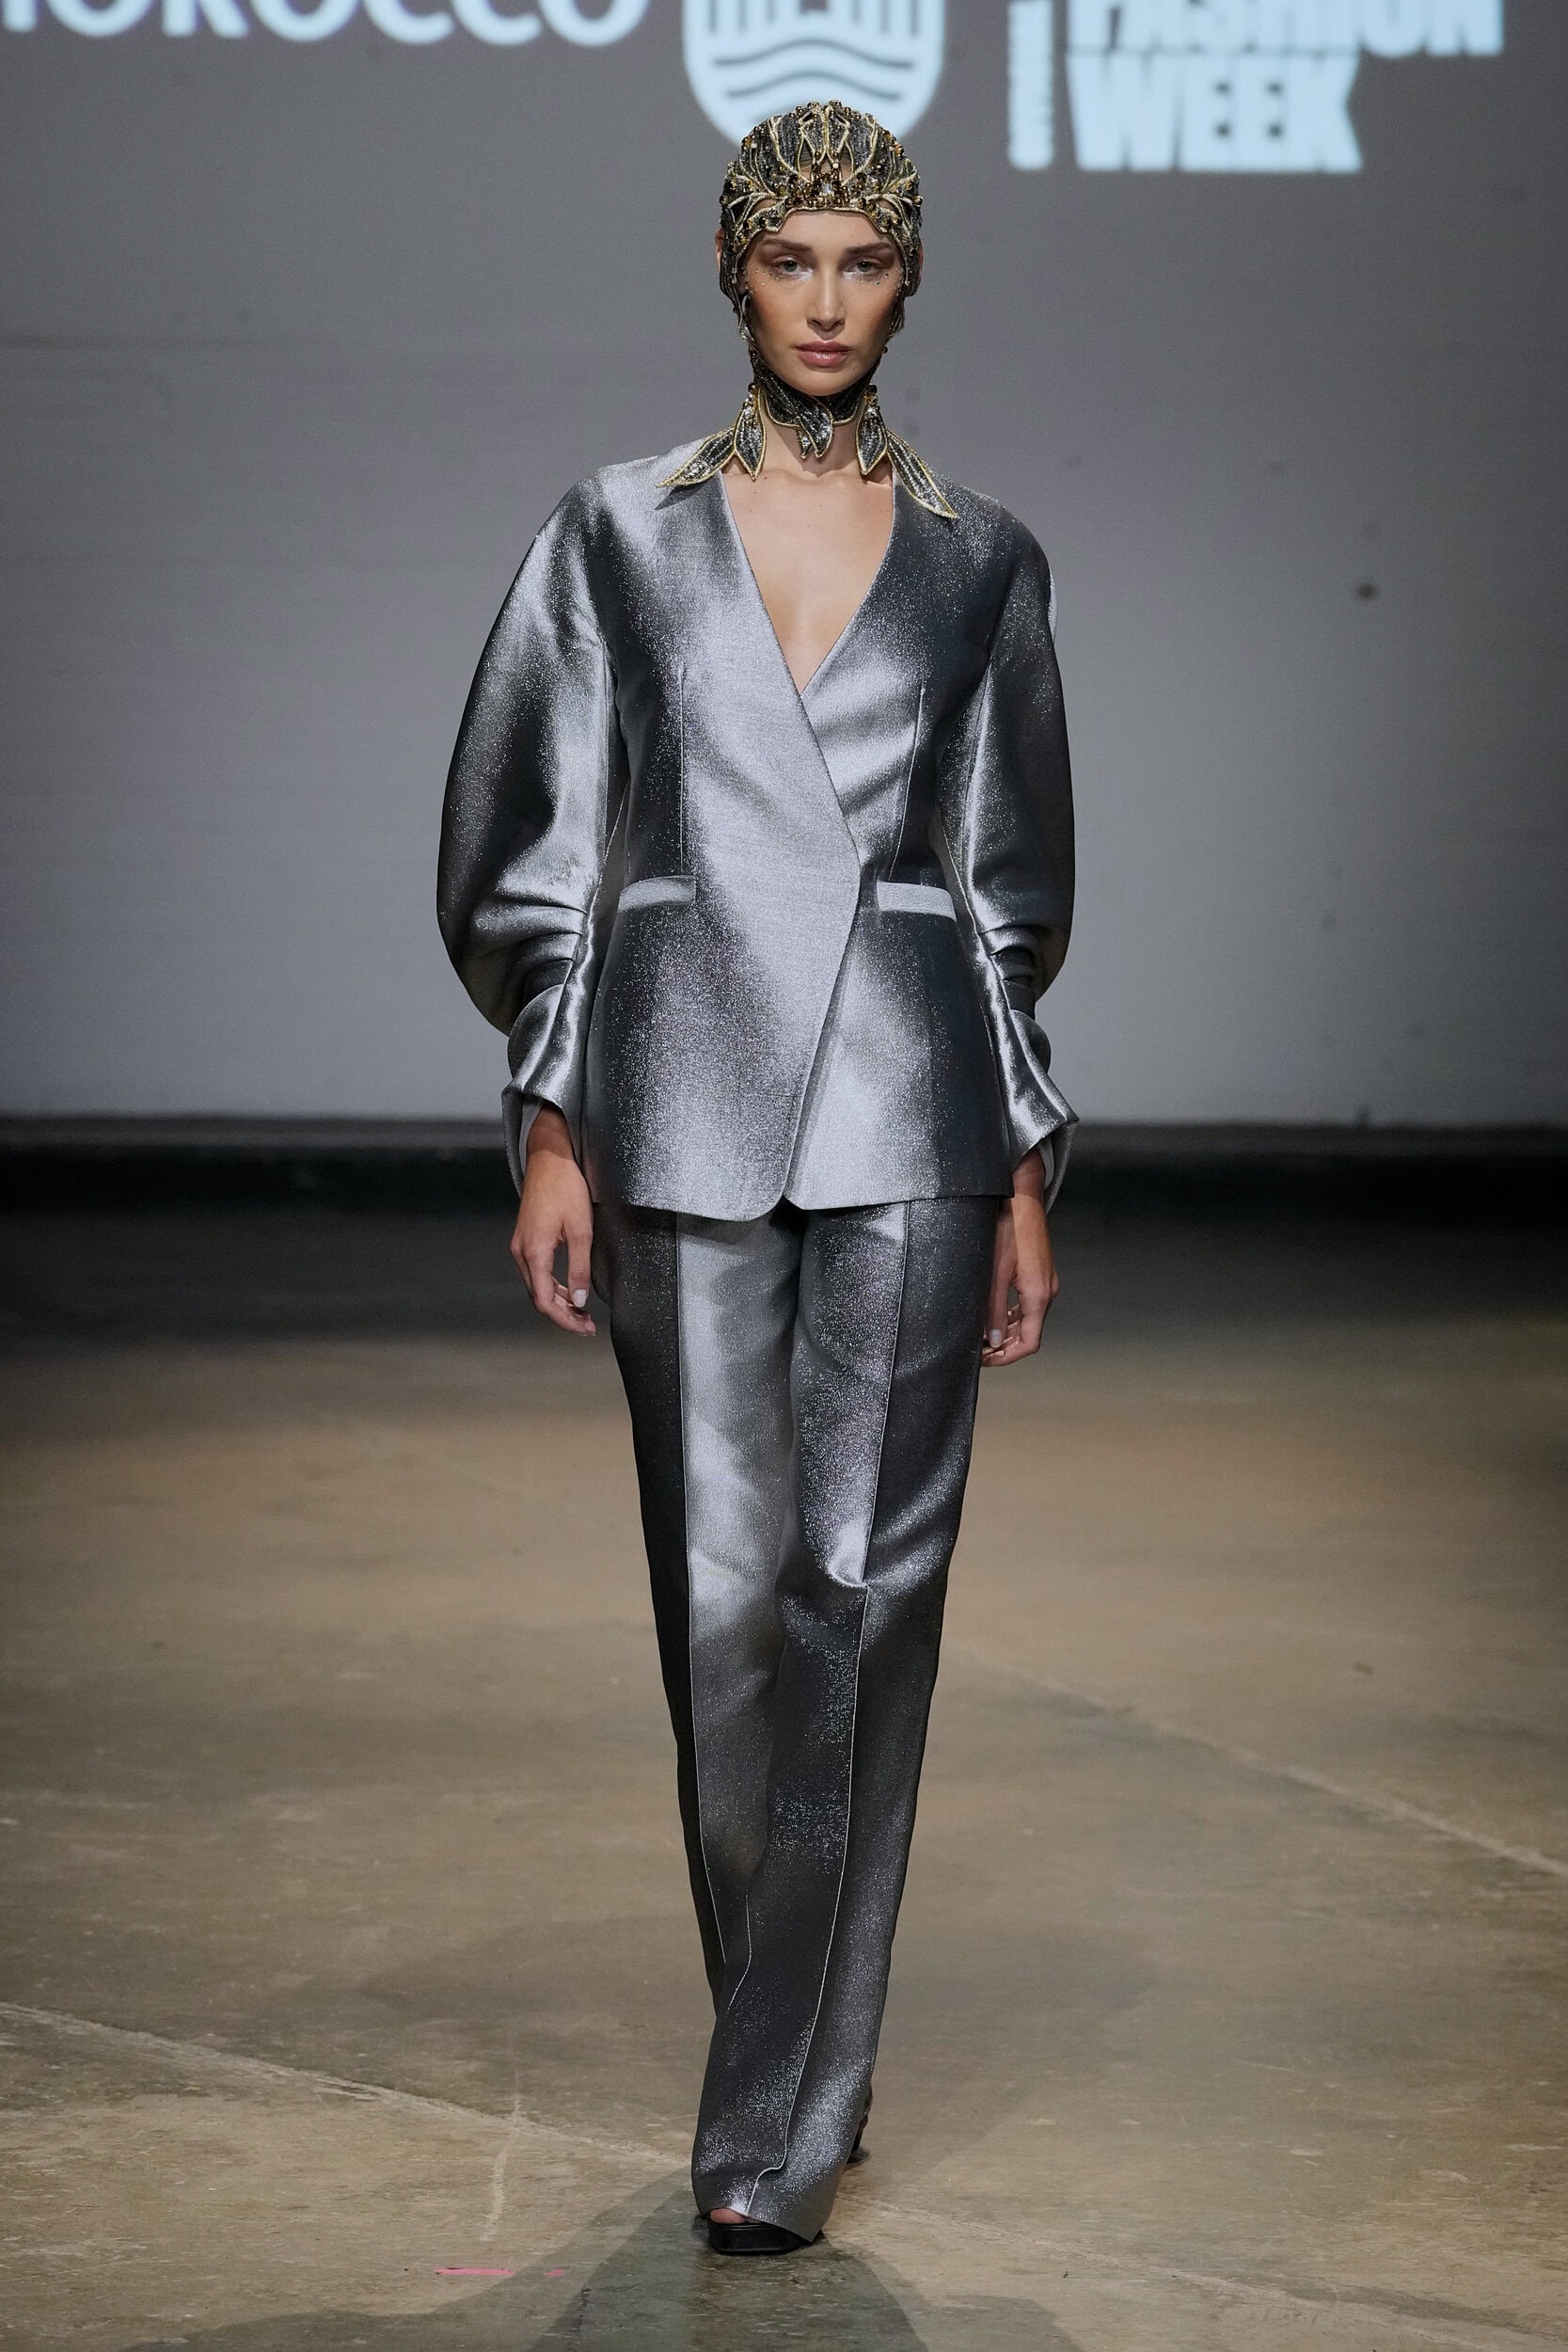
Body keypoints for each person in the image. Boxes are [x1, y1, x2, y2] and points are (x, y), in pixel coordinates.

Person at [438, 99, 1075, 2257]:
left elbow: (1005, 884)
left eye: (861, 262)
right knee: (723, 1609)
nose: (824, 299)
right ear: (732, 269)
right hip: (679, 1091)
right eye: (789, 258)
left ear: (909, 281)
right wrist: (552, 1109)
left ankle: (777, 2118)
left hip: (914, 1103)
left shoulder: (985, 559)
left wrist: (1025, 1160)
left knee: (862, 1600)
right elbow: (532, 839)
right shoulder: (616, 531)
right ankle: (794, 2038)